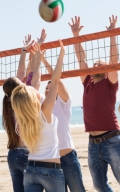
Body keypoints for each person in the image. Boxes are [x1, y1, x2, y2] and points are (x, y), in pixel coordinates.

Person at [68, 16, 120, 192]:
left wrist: (112, 34)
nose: (96, 64)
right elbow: (80, 59)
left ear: (106, 70)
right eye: (94, 64)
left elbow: (114, 60)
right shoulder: (87, 82)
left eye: (100, 63)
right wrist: (76, 35)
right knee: (99, 185)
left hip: (111, 140)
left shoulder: (110, 83)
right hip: (93, 143)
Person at [11, 40, 65, 192]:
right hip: (50, 170)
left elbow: (35, 81)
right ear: (32, 98)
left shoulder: (21, 119)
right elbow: (54, 82)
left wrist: (37, 60)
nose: (35, 89)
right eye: (33, 91)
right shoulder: (44, 113)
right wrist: (61, 56)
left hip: (31, 170)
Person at [2, 33, 44, 192]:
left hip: (12, 155)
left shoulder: (8, 101)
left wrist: (24, 51)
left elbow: (19, 76)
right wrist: (37, 59)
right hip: (25, 156)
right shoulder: (24, 101)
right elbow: (35, 82)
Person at [41, 56, 85, 192]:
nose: (48, 90)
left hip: (68, 158)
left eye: (51, 87)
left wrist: (43, 59)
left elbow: (57, 80)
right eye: (46, 89)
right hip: (51, 161)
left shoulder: (63, 104)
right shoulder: (41, 108)